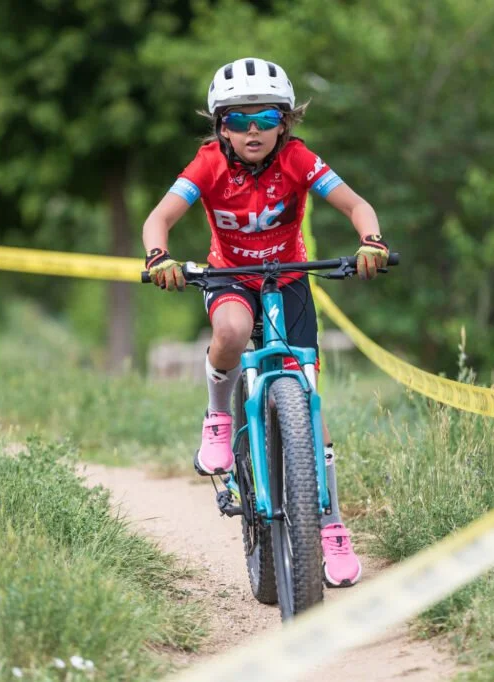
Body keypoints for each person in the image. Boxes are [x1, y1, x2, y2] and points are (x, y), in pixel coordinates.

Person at [141, 57, 390, 587]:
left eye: (265, 118)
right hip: (232, 276)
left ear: (285, 121)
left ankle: (331, 526)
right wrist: (158, 255)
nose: (252, 131)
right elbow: (158, 218)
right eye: (237, 120)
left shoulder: (298, 159)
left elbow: (357, 204)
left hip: (291, 277)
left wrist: (371, 241)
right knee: (229, 333)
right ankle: (217, 417)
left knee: (309, 398)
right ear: (219, 127)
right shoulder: (208, 163)